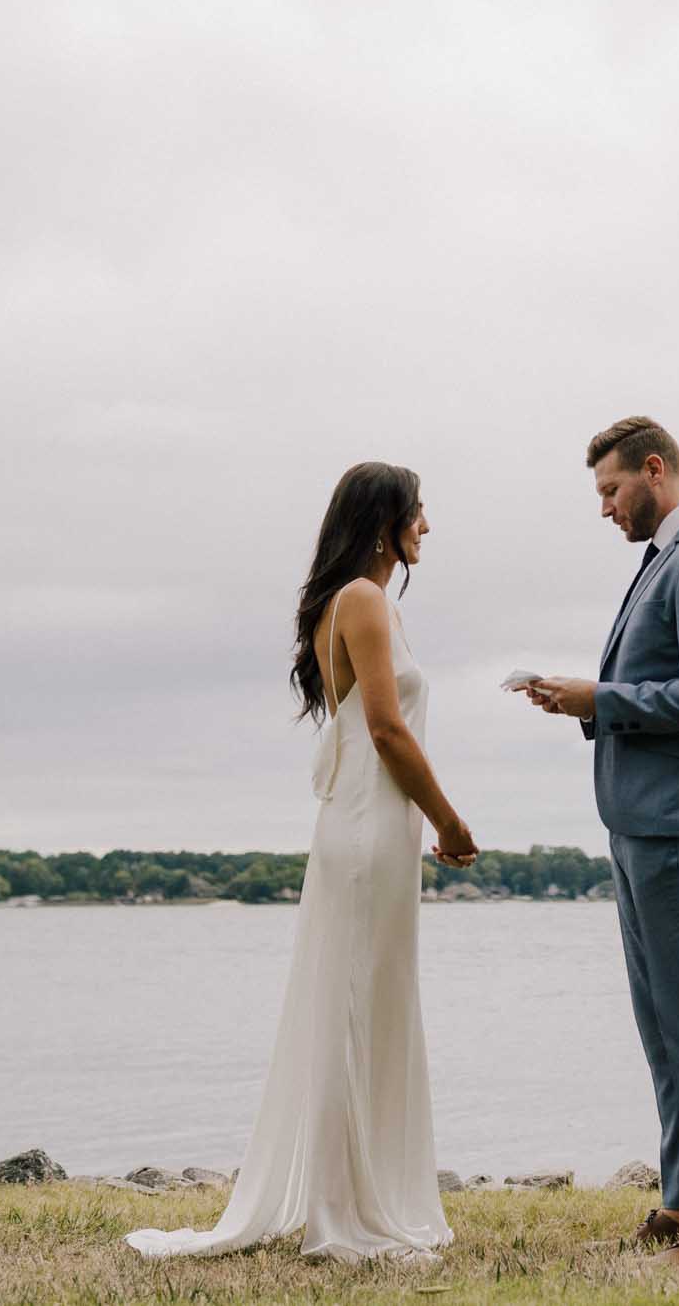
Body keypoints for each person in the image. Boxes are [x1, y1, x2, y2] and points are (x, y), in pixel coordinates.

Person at [127, 461, 476, 1264]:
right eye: (419, 512)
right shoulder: (361, 599)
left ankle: (360, 1188)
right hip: (366, 831)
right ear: (386, 522)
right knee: (356, 1006)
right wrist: (450, 821)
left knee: (371, 1003)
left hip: (372, 832)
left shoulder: (357, 602)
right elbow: (386, 730)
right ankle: (344, 1208)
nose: (428, 526)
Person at [521, 416, 679, 1265]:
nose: (607, 508)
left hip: (677, 820)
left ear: (655, 470)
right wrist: (586, 699)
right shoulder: (663, 560)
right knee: (658, 1020)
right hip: (636, 820)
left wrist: (600, 699)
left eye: (612, 489)